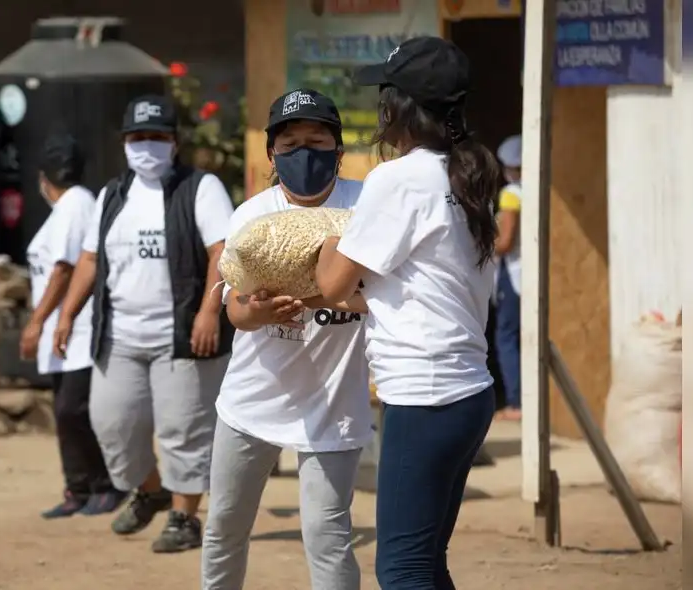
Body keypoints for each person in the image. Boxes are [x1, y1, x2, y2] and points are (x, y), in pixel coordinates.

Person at [313, 37, 500, 589]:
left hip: (426, 395)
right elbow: (416, 290)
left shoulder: (396, 180)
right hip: (468, 392)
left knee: (401, 568)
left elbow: (333, 283)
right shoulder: (468, 176)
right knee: (425, 561)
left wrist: (325, 237)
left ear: (399, 106)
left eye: (383, 94)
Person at [201, 89, 372, 590]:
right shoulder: (250, 216)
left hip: (334, 405)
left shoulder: (367, 207)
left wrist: (326, 298)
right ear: (272, 155)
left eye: (317, 141)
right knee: (225, 527)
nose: (304, 153)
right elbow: (234, 309)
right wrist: (255, 311)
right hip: (252, 400)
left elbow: (387, 294)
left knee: (327, 534)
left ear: (338, 151)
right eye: (290, 143)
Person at [52, 94, 236, 554]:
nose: (147, 147)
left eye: (157, 138)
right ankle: (150, 489)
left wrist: (209, 311)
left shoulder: (200, 187)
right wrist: (67, 312)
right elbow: (91, 258)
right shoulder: (113, 194)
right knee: (113, 425)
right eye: (138, 138)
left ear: (174, 143)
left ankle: (184, 516)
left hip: (181, 338)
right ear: (124, 143)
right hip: (120, 337)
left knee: (183, 431)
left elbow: (223, 250)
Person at [18, 130, 125, 520]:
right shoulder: (68, 208)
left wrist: (36, 322)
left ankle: (105, 483)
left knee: (74, 410)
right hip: (61, 331)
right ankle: (77, 487)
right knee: (64, 411)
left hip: (76, 329)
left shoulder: (76, 205)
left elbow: (63, 270)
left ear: (42, 177)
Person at [494, 134, 522, 421]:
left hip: (513, 274)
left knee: (506, 337)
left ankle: (516, 402)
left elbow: (504, 243)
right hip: (528, 275)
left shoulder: (511, 194)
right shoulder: (538, 189)